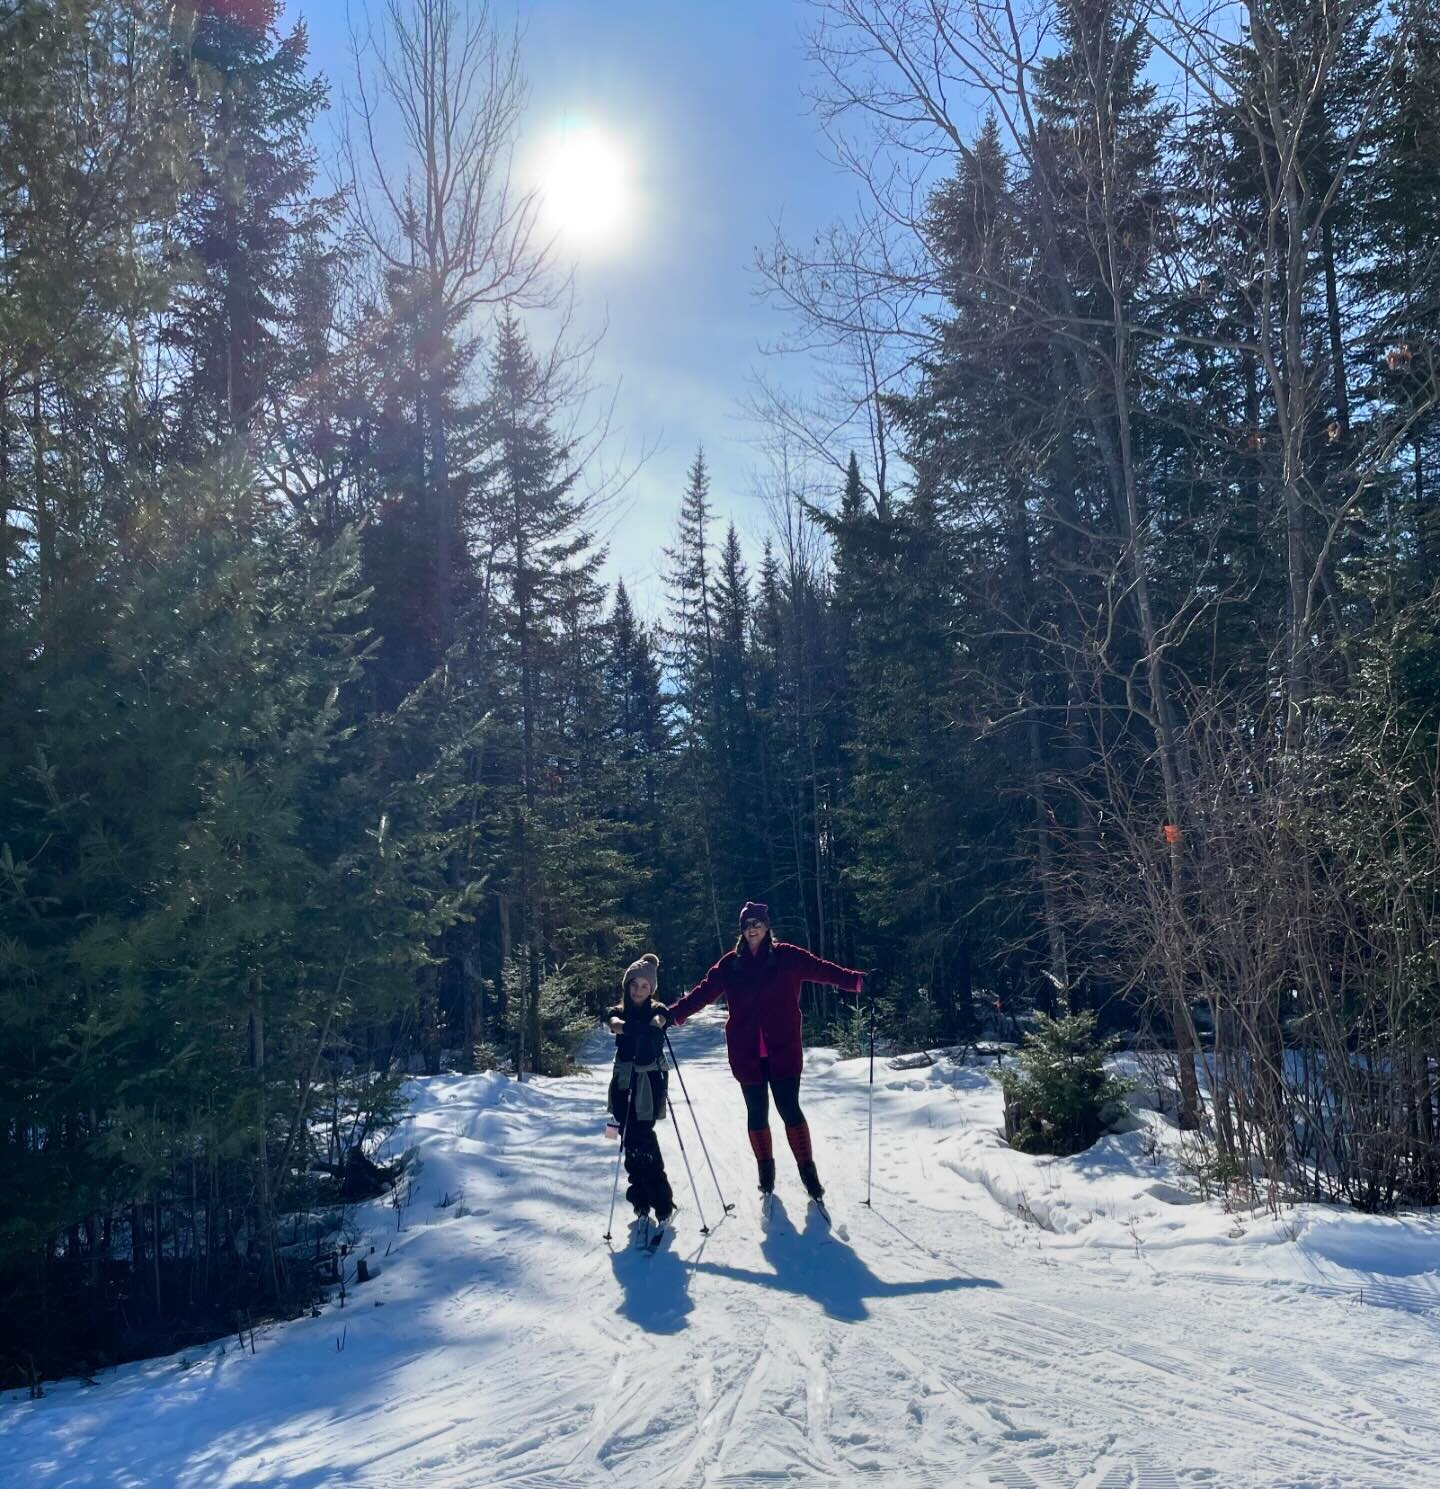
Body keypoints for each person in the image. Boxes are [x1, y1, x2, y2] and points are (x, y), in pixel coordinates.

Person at [663, 902, 864, 1202]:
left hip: (783, 1048)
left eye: (757, 923)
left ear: (767, 926)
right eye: (747, 925)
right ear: (742, 931)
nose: (752, 929)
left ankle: (809, 1176)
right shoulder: (730, 965)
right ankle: (766, 1176)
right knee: (757, 1114)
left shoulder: (787, 956)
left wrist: (857, 981)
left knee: (789, 1110)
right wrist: (671, 1015)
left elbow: (822, 969)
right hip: (746, 1053)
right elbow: (703, 993)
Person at [605, 953, 676, 1226]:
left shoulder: (656, 1009)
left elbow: (661, 1019)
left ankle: (661, 1200)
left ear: (651, 989)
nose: (638, 991)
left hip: (649, 1083)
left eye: (644, 986)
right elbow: (613, 1022)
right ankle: (640, 1200)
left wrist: (653, 1025)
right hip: (624, 1082)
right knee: (628, 1136)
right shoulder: (619, 1011)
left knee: (642, 1136)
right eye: (634, 985)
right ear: (627, 986)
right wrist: (622, 1027)